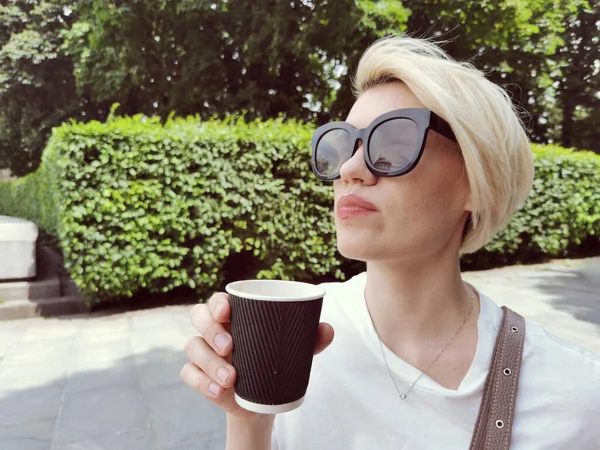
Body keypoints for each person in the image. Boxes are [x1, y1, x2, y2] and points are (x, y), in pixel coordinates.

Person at [180, 35, 600, 449]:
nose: (350, 168)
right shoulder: (297, 340)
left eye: (393, 143)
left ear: (477, 183)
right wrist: (249, 421)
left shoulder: (573, 397)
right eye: (341, 144)